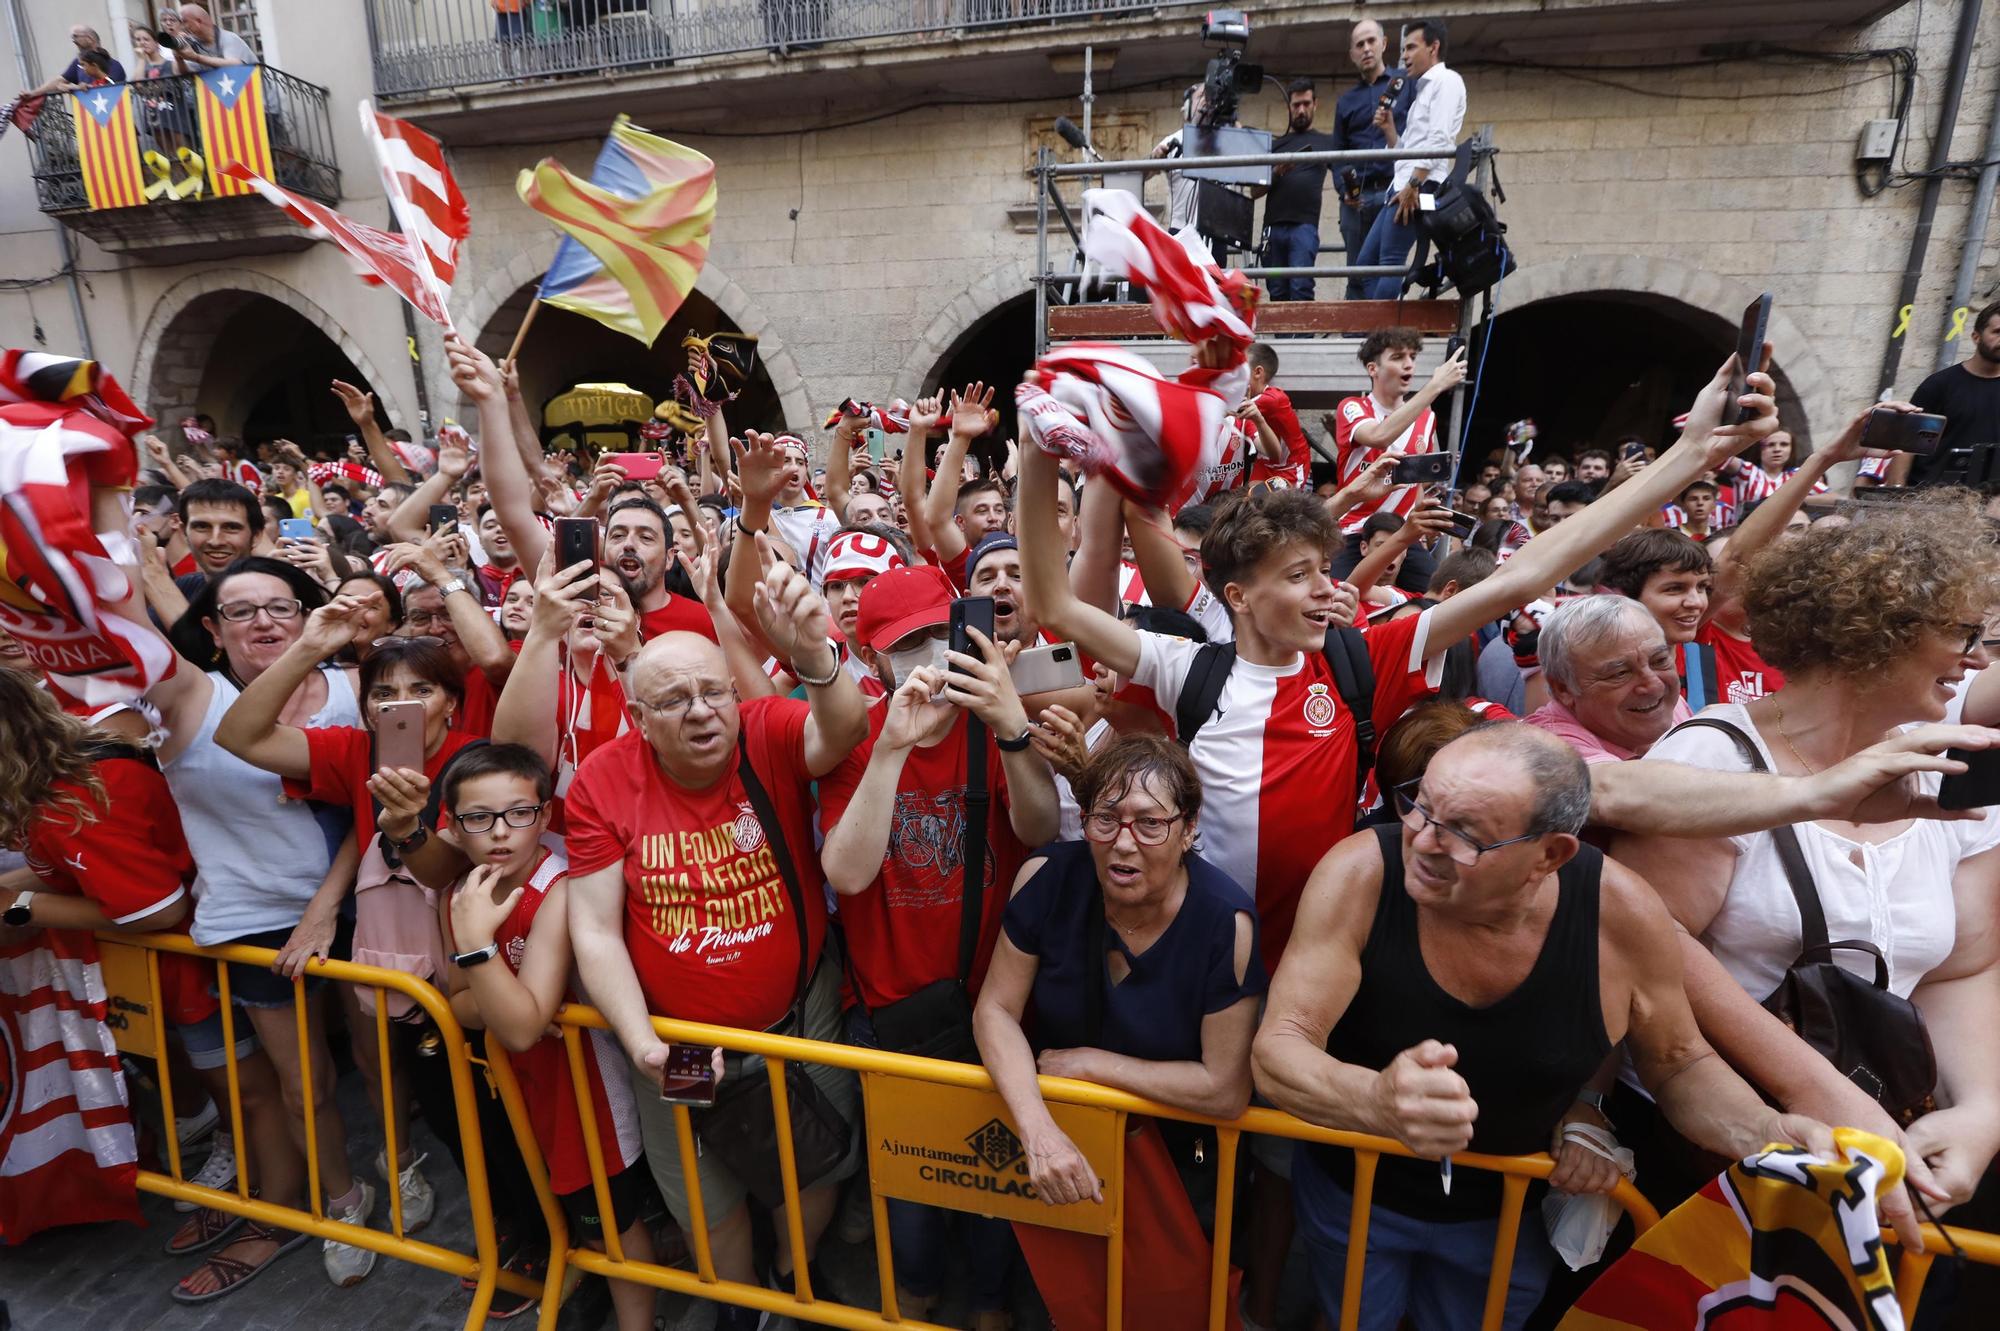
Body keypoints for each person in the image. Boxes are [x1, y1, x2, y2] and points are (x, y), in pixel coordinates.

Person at [1253, 722, 1837, 1330]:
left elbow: (1681, 1063)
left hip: (1508, 1218)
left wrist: (1766, 1133)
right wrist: (1374, 1100)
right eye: (1420, 808)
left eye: (1464, 834)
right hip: (1356, 1195)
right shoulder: (1360, 874)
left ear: (1551, 854)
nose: (1422, 842)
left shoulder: (1623, 915)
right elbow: (1280, 1047)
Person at [1615, 494, 2000, 1220]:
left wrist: (1981, 1110)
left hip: (1881, 1144)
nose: (1977, 656)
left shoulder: (1954, 765)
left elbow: (1966, 965)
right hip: (1719, 1155)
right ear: (1879, 630)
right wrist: (1817, 1090)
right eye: (1961, 631)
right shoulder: (1712, 756)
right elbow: (1648, 938)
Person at [563, 548, 869, 1315]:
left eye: (713, 692)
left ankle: (792, 1284)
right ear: (637, 719)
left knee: (813, 1169)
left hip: (795, 1025)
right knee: (709, 1192)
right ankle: (742, 1301)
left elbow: (843, 731)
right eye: (673, 701)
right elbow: (595, 930)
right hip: (679, 1046)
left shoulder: (765, 731)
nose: (701, 711)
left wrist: (815, 662)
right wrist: (641, 1042)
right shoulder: (605, 776)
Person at [107, 557, 389, 1297]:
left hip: (365, 905)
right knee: (306, 1085)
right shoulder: (192, 696)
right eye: (242, 611)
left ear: (307, 613)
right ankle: (342, 1204)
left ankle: (407, 1170)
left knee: (381, 1066)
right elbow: (123, 615)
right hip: (256, 922)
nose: (265, 621)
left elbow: (379, 801)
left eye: (282, 606)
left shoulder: (358, 691)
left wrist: (328, 906)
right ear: (210, 629)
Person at [819, 564, 1058, 1328]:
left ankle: (990, 1300)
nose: (925, 659)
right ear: (874, 656)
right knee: (914, 1190)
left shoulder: (999, 721)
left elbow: (1040, 828)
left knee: (997, 1179)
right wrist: (891, 747)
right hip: (890, 1011)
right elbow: (847, 874)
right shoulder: (857, 736)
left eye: (937, 635)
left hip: (993, 1007)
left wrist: (1012, 725)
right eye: (903, 646)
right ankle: (915, 1296)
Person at [974, 735, 1264, 1322]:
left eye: (1150, 824)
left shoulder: (1222, 923)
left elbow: (1224, 1088)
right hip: (1063, 1145)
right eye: (1106, 819)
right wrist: (1039, 1132)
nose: (1123, 842)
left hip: (1181, 1165)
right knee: (1067, 1301)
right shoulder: (1049, 878)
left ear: (1188, 830)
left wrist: (1092, 1064)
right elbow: (994, 1011)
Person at [437, 744, 658, 1331]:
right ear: (454, 828)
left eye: (519, 813)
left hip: (590, 1096)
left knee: (612, 1222)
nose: (501, 832)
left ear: (545, 815)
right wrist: (511, 998)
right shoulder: (463, 897)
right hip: (534, 1092)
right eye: (478, 818)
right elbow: (461, 1003)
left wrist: (485, 958)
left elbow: (521, 1025)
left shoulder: (559, 890)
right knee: (587, 1213)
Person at [1328, 327, 1467, 586]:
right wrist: (1434, 386)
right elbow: (1380, 435)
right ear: (1373, 369)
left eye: (1412, 357)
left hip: (1403, 533)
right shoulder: (1353, 406)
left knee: (1439, 597)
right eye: (1398, 357)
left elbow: (1417, 483)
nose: (1409, 364)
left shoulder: (1427, 416)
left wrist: (1422, 524)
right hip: (1356, 531)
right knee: (1333, 600)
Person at [1354, 20, 1467, 299]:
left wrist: (1414, 185)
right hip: (1403, 183)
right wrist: (1389, 128)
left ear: (1434, 47)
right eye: (1403, 49)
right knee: (1364, 265)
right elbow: (1406, 150)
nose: (1404, 55)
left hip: (1418, 186)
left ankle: (1378, 334)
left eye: (1411, 47)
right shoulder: (1423, 89)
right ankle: (1376, 329)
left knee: (1389, 264)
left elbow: (1439, 141)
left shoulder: (1446, 81)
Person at [1525, 596, 1690, 764]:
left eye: (1660, 661)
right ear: (1564, 689)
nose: (1655, 686)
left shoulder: (1666, 703)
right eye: (1620, 673)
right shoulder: (1550, 750)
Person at [1329, 19, 1403, 299]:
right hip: (1355, 199)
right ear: (1352, 55)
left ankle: (1383, 337)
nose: (1367, 49)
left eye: (1371, 41)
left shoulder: (1403, 86)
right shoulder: (1346, 102)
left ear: (1384, 44)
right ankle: (1354, 339)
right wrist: (1342, 188)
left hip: (1392, 191)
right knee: (1357, 272)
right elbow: (1336, 155)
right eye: (1360, 45)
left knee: (1389, 270)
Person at [1901, 298, 2000, 487]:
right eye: (1997, 332)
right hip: (1934, 498)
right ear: (1976, 336)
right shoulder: (1939, 384)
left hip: (1992, 503)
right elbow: (1906, 447)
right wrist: (1896, 494)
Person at [1258, 80, 1336, 302]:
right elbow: (1254, 192)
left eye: (1306, 103)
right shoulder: (1275, 145)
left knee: (1301, 286)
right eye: (1296, 105)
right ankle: (1284, 337)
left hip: (1303, 230)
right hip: (1272, 232)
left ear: (1315, 104)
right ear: (1288, 108)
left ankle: (1301, 338)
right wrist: (1276, 172)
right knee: (1276, 287)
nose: (1301, 110)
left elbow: (1343, 174)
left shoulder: (1327, 142)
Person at [1245, 343, 1312, 488]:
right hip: (1266, 460)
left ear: (1258, 372)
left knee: (1280, 507)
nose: (1234, 376)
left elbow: (1230, 407)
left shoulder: (1274, 398)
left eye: (1239, 370)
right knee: (1252, 503)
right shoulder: (1254, 402)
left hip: (1291, 465)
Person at [29, 24, 126, 94]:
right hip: (87, 118)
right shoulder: (78, 62)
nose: (73, 41)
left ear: (90, 39)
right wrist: (33, 94)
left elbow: (110, 90)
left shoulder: (113, 65)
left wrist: (74, 88)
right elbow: (60, 81)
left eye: (76, 36)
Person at [173, 4, 254, 69]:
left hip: (255, 87)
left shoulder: (228, 38)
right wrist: (179, 58)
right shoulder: (194, 43)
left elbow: (235, 65)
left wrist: (196, 58)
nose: (182, 27)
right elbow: (184, 73)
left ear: (198, 21)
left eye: (184, 22)